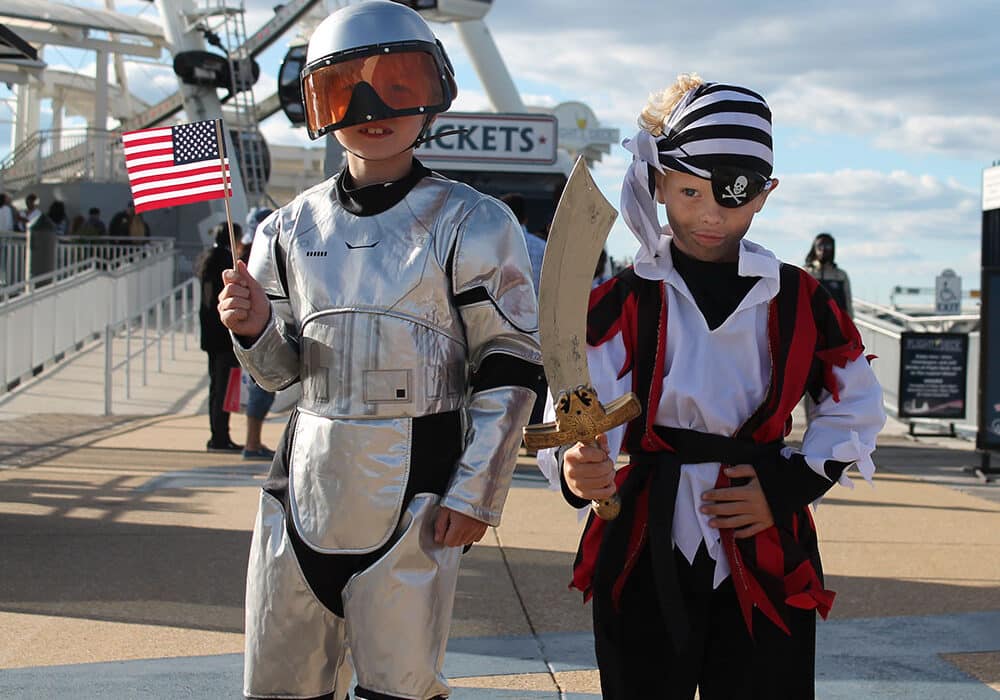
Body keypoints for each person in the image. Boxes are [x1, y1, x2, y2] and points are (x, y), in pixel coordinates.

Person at [216, 3, 542, 699]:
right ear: (315, 107)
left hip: (417, 480)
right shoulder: (285, 228)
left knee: (399, 686)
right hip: (300, 485)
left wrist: (477, 491)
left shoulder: (475, 224)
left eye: (399, 82)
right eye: (344, 90)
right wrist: (250, 329)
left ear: (436, 89)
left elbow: (510, 365)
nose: (372, 107)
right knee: (278, 684)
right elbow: (279, 372)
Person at [538, 75, 885, 699]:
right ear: (660, 183)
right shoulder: (620, 300)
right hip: (642, 529)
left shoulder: (800, 299)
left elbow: (853, 398)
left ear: (764, 195)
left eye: (732, 196)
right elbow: (576, 406)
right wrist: (575, 466)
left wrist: (791, 483)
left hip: (763, 528)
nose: (708, 213)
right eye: (689, 191)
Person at [500, 192, 549, 431]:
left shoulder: (493, 247)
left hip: (503, 329)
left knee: (503, 383)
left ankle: (506, 431)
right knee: (537, 384)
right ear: (526, 218)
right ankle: (533, 430)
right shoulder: (543, 248)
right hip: (538, 328)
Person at [197, 223, 243, 453]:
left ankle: (217, 433)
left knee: (216, 386)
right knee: (224, 387)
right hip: (224, 336)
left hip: (210, 335)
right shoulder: (225, 261)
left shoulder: (207, 258)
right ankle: (220, 436)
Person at [237, 208, 276, 461]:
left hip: (259, 327)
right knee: (261, 388)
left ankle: (253, 442)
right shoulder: (258, 253)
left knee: (261, 389)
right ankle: (252, 443)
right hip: (257, 329)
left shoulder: (247, 252)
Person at [805, 232, 853, 317]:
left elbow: (848, 303)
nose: (823, 249)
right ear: (814, 248)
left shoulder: (841, 275)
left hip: (835, 322)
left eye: (827, 246)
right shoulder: (806, 273)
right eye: (820, 246)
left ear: (832, 249)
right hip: (811, 321)